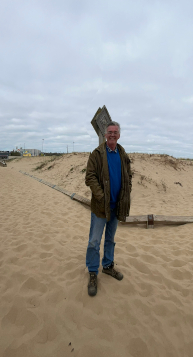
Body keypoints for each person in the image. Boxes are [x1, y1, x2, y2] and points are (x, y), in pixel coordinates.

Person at [84, 121, 132, 296]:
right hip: (101, 207)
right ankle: (92, 272)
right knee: (94, 241)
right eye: (110, 132)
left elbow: (129, 175)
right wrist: (102, 197)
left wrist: (127, 192)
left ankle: (108, 266)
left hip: (116, 206)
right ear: (105, 135)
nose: (112, 134)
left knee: (110, 240)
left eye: (115, 132)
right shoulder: (97, 154)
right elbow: (89, 177)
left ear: (119, 135)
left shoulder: (123, 153)